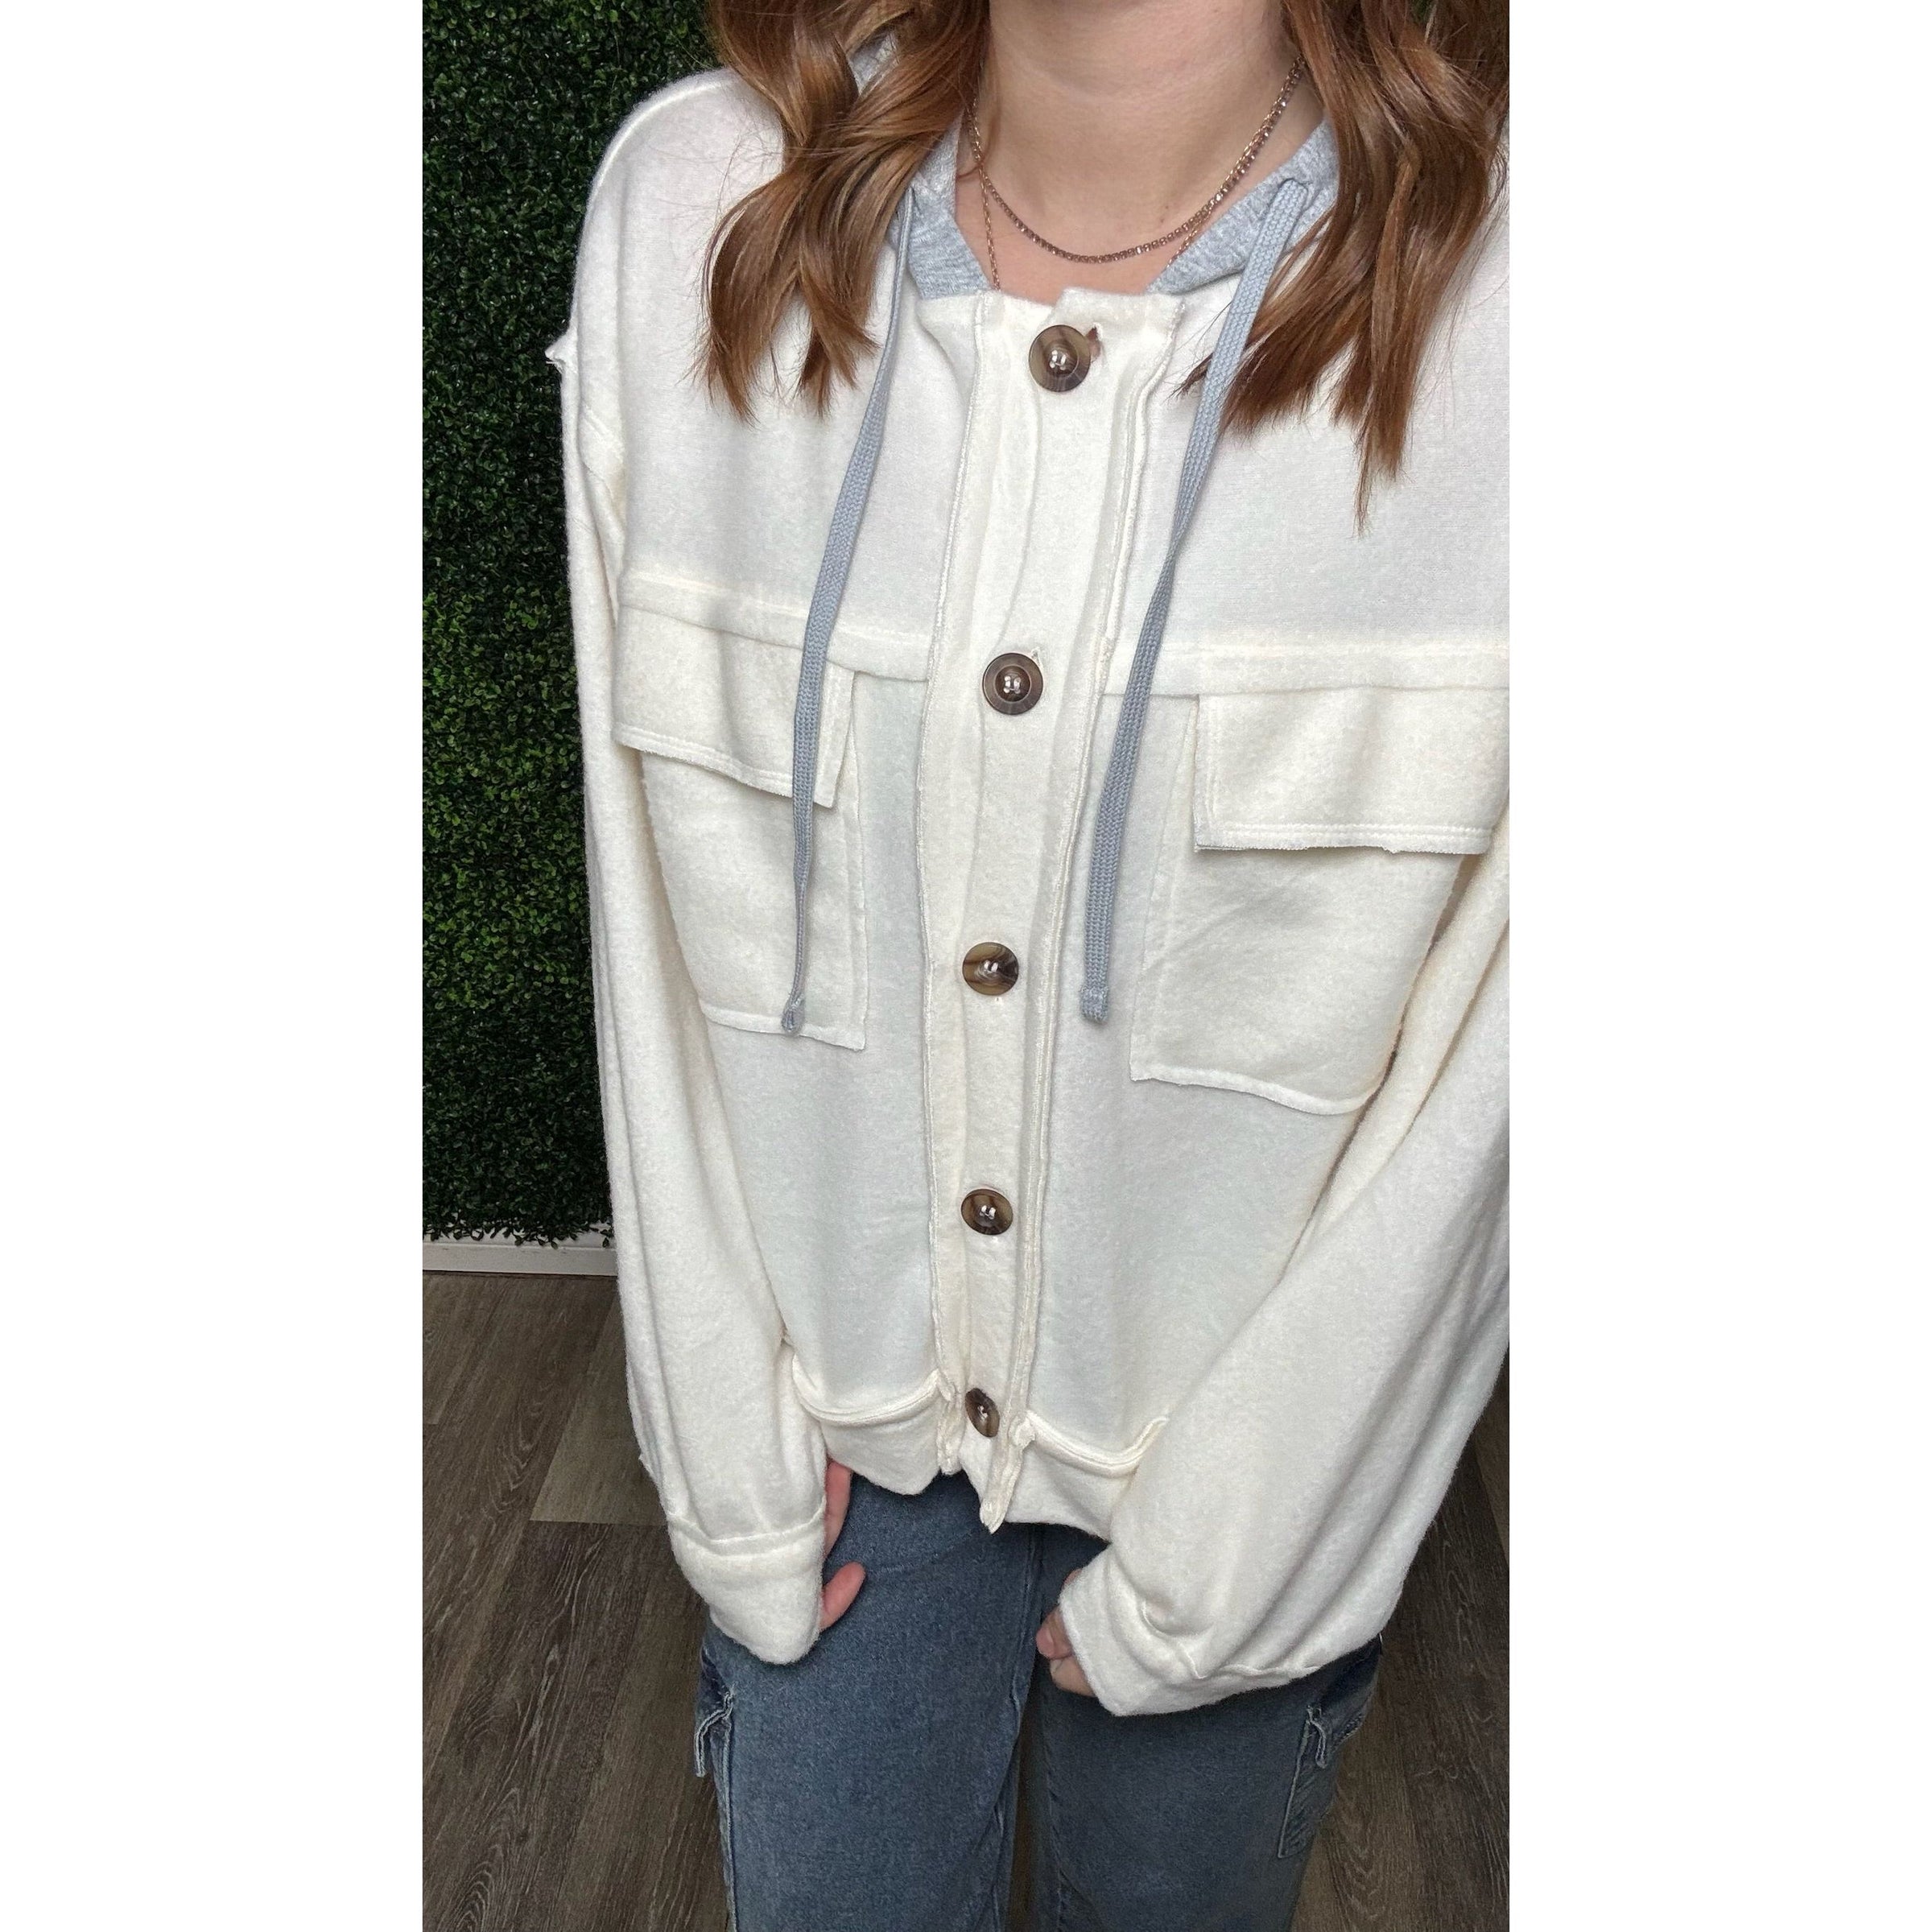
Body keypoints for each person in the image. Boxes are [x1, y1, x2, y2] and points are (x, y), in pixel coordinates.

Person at [551, 0, 1506, 1923]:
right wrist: (726, 1451)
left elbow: (1512, 1041)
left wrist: (1247, 1545)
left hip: (1257, 1494)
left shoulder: (1531, 303)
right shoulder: (690, 207)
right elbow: (644, 908)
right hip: (829, 1456)